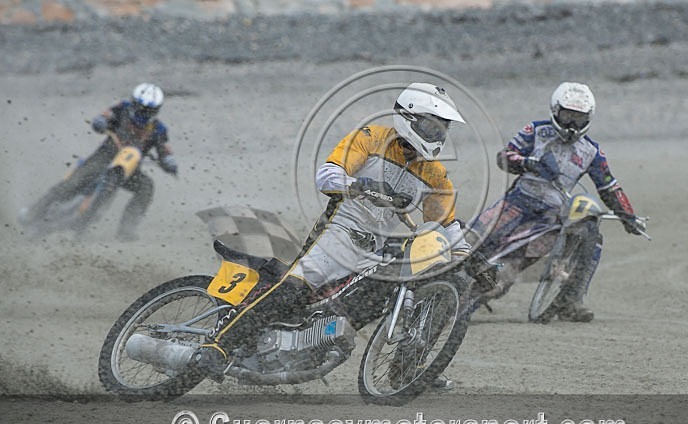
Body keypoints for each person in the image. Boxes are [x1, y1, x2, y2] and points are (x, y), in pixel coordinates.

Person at [191, 82, 480, 384]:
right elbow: (327, 175)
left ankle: (408, 368)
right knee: (295, 289)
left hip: (374, 251)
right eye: (432, 127)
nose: (438, 135)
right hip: (339, 232)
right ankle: (217, 346)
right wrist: (356, 185)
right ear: (409, 118)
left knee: (385, 295)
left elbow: (447, 226)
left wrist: (471, 261)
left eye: (443, 130)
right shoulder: (370, 138)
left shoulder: (435, 173)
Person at [471, 81, 645, 322]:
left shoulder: (591, 152)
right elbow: (504, 157)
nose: (572, 124)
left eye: (579, 118)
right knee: (474, 241)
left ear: (588, 118)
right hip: (517, 203)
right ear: (555, 111)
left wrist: (628, 216)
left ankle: (569, 300)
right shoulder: (535, 131)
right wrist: (527, 162)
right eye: (567, 116)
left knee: (508, 269)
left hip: (549, 219)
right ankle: (430, 283)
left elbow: (608, 185)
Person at [27, 83, 178, 241]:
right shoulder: (122, 108)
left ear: (156, 110)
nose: (143, 113)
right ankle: (34, 212)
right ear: (134, 103)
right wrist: (101, 121)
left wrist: (169, 161)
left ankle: (127, 229)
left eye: (148, 110)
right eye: (140, 108)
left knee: (147, 186)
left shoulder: (159, 129)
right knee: (73, 182)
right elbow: (105, 115)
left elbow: (165, 149)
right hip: (105, 157)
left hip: (130, 170)